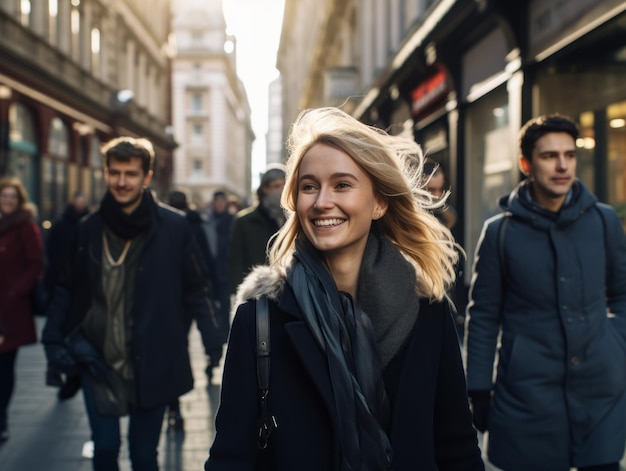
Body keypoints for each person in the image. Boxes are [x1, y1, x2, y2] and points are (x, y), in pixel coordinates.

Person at [205, 107, 484, 470]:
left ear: (380, 203)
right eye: (309, 187)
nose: (322, 202)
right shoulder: (259, 319)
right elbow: (230, 456)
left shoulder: (428, 313)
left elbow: (456, 447)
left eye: (342, 185)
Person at [42, 136, 219, 471]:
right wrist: (53, 340)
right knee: (105, 450)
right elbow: (65, 289)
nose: (121, 182)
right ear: (106, 173)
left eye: (131, 174)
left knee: (143, 455)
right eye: (114, 172)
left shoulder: (174, 227)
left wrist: (213, 338)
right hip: (97, 358)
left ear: (146, 177)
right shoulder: (87, 230)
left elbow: (196, 288)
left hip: (152, 358)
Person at [464, 114, 626, 471]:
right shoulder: (499, 233)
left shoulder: (603, 220)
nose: (562, 165)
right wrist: (478, 387)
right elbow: (484, 314)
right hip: (527, 393)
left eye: (569, 155)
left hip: (600, 390)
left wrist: (616, 343)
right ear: (526, 164)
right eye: (549, 156)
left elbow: (622, 293)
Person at [165, 189, 219, 428]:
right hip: (183, 297)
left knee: (175, 349)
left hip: (176, 298)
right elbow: (206, 259)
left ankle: (174, 407)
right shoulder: (189, 225)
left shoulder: (171, 226)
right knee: (178, 348)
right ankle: (174, 406)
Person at [0, 177, 44, 443]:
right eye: (4, 196)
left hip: (10, 310)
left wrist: (15, 291)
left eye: (12, 197)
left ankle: (1, 418)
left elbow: (36, 264)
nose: (7, 201)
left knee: (4, 367)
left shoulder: (25, 227)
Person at [44, 190, 90, 401]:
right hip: (64, 284)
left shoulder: (92, 225)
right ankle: (68, 375)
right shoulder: (62, 225)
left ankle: (74, 377)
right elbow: (52, 253)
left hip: (82, 287)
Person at [227, 163, 286, 295]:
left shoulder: (295, 219)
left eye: (284, 185)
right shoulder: (245, 221)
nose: (281, 190)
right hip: (258, 292)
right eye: (276, 186)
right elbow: (236, 262)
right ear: (265, 189)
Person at [203, 190, 234, 378]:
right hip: (209, 278)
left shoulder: (231, 221)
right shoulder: (207, 221)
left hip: (224, 276)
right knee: (211, 315)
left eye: (222, 201)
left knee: (223, 314)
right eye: (217, 201)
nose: (219, 204)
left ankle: (219, 351)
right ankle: (214, 353)